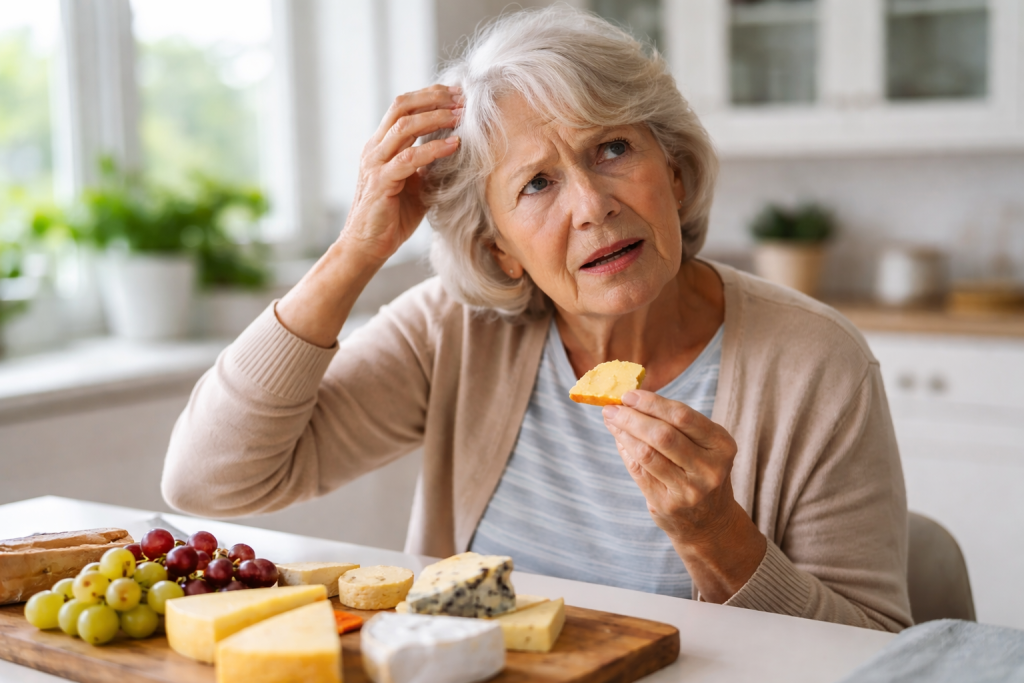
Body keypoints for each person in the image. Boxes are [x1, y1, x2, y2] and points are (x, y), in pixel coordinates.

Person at [162, 6, 912, 631]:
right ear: (502, 250)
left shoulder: (816, 361)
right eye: (538, 184)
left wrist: (721, 537)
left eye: (612, 148)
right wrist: (354, 253)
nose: (591, 206)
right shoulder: (455, 331)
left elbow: (879, 651)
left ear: (674, 174)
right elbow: (208, 480)